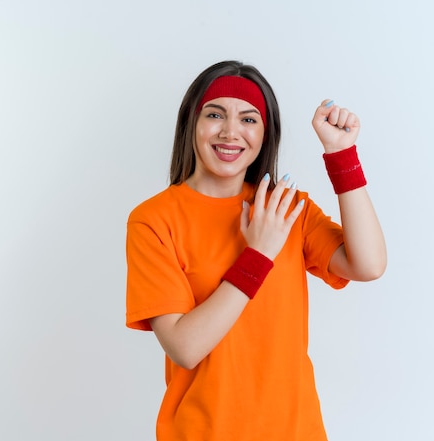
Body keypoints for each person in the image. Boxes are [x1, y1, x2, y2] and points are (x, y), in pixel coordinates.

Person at [126, 60, 386, 441]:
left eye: (249, 120)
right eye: (215, 115)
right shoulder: (153, 220)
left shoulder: (286, 208)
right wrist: (259, 255)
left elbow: (369, 264)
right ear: (192, 124)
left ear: (265, 134)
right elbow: (185, 346)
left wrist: (342, 154)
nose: (231, 132)